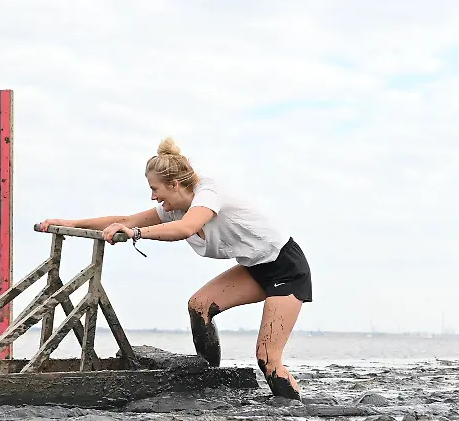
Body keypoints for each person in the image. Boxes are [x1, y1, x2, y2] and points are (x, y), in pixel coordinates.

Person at [38, 137, 312, 400]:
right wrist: (70, 223)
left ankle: (292, 408)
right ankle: (210, 379)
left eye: (155, 189)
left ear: (176, 184)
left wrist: (135, 233)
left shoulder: (209, 192)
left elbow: (185, 228)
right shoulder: (175, 208)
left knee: (267, 357)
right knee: (199, 305)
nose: (153, 196)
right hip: (255, 267)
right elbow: (125, 218)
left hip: (285, 267)